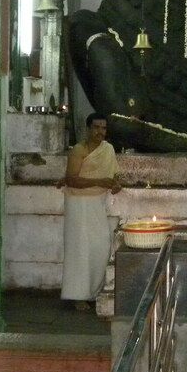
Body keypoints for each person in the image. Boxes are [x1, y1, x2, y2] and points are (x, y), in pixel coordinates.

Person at [57, 112, 122, 311]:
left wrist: (115, 183)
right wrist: (99, 181)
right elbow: (71, 179)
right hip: (79, 204)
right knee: (80, 250)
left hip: (98, 202)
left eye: (103, 128)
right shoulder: (79, 150)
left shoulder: (108, 149)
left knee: (101, 247)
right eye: (96, 128)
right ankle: (77, 296)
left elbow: (114, 173)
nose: (100, 132)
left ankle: (94, 293)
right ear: (88, 129)